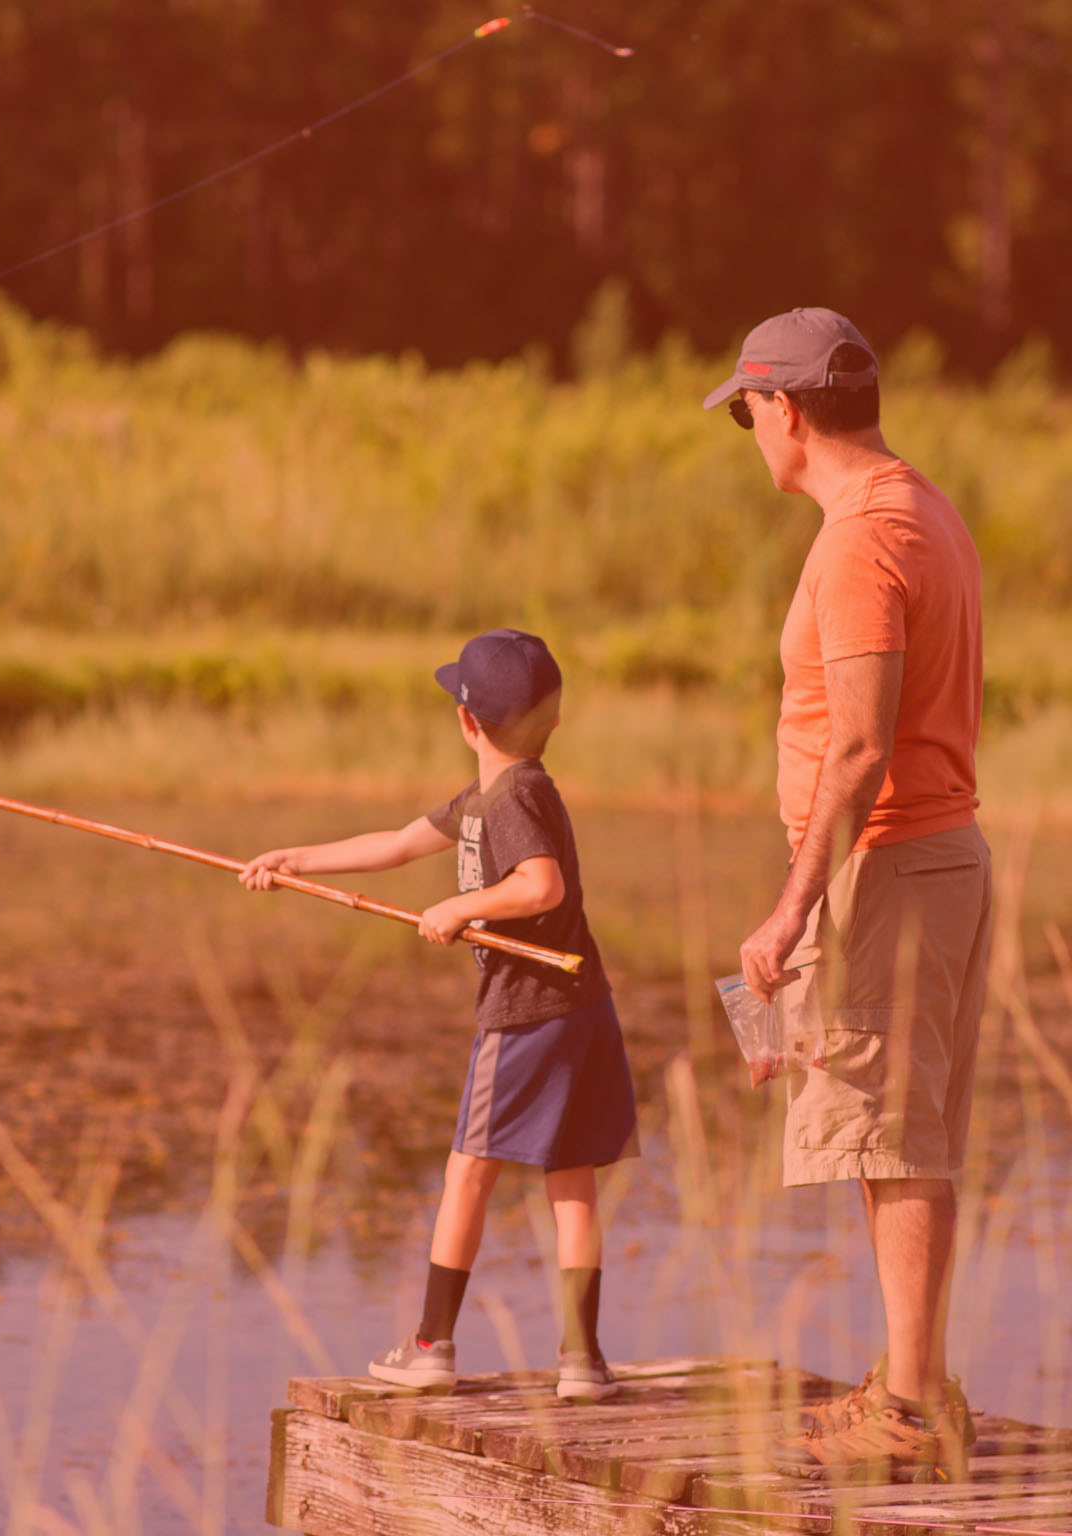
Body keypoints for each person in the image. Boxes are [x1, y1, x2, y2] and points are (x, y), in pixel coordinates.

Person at [706, 308, 992, 1480]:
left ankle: (912, 1414)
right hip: (930, 861)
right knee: (893, 1136)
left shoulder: (860, 541)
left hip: (890, 866)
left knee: (890, 1135)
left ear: (783, 409)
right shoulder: (921, 506)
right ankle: (911, 1389)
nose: (747, 432)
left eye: (745, 412)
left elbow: (863, 745)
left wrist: (788, 908)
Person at [240, 629, 636, 1402]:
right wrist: (297, 858)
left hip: (527, 1012)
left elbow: (540, 886)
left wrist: (461, 906)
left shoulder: (517, 795)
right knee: (573, 1177)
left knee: (468, 1172)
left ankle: (430, 1345)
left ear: (467, 722)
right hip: (582, 1007)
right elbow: (393, 845)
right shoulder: (484, 798)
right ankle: (581, 1361)